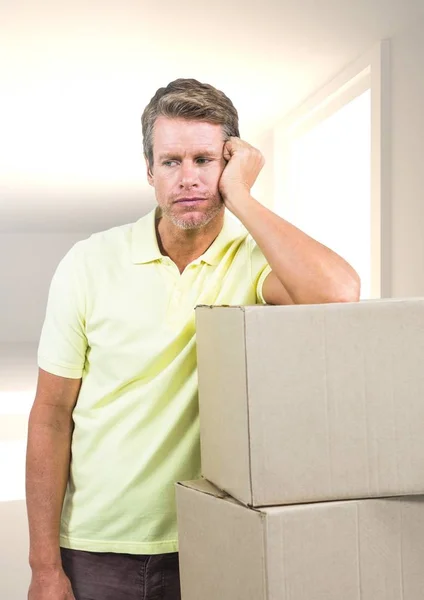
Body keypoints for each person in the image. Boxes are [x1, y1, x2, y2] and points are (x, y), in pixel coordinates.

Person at [25, 78, 360, 600]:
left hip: (213, 539)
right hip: (95, 546)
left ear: (228, 165)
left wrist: (242, 196)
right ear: (149, 172)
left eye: (204, 160)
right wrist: (44, 566)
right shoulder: (88, 262)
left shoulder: (252, 261)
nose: (187, 178)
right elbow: (49, 416)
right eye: (171, 161)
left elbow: (339, 294)